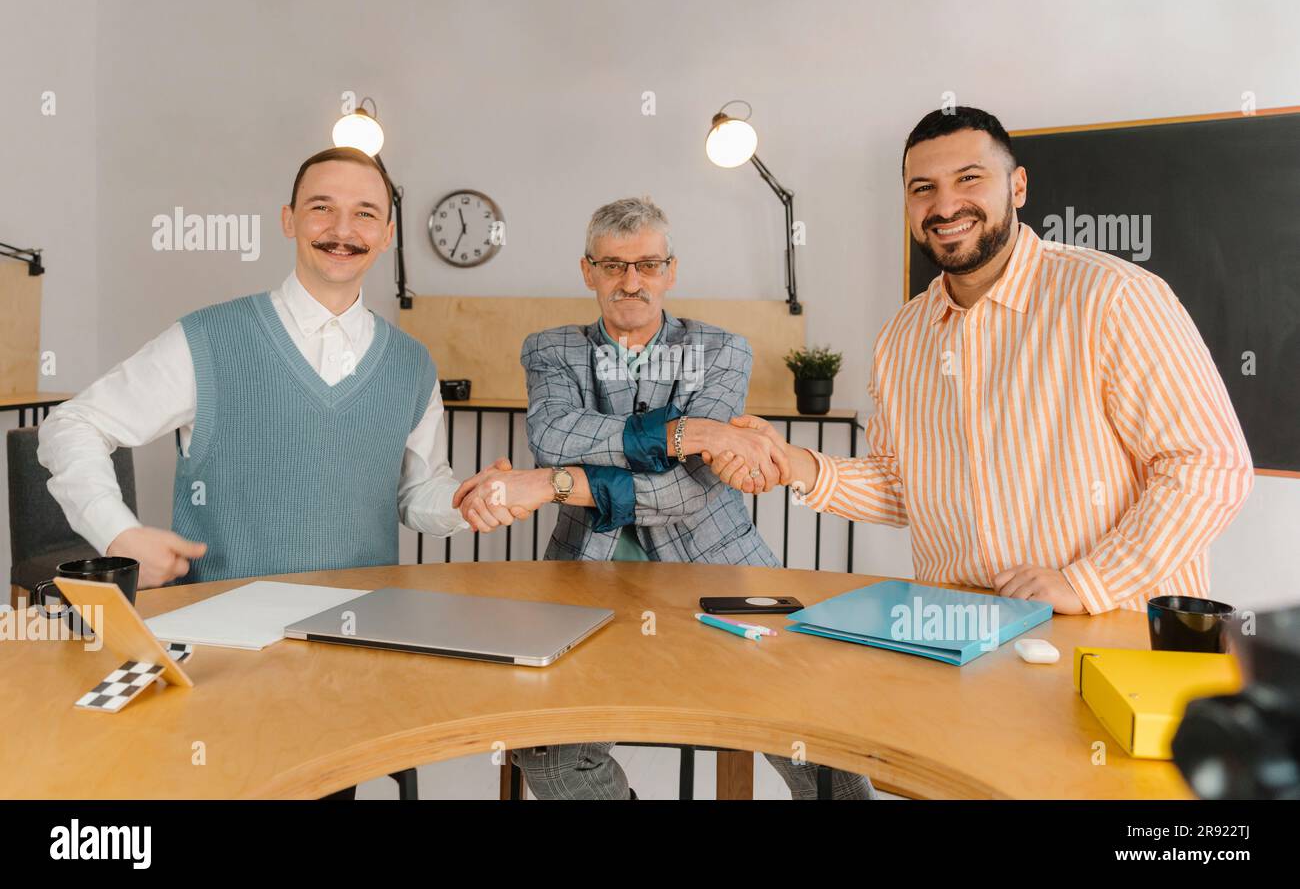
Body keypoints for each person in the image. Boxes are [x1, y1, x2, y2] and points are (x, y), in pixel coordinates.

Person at [706, 107, 1254, 616]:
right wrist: (795, 464)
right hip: (957, 630)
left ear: (1017, 187)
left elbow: (1209, 465)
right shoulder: (903, 336)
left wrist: (1088, 582)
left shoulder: (1112, 297)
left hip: (1111, 635)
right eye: (924, 188)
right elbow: (905, 486)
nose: (945, 206)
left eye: (969, 179)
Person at [453, 196, 874, 799]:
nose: (632, 281)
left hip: (723, 573)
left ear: (670, 272)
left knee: (819, 741)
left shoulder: (722, 350)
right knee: (548, 751)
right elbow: (552, 435)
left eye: (648, 265)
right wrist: (684, 432)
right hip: (585, 579)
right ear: (587, 271)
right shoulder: (551, 349)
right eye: (614, 265)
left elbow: (685, 490)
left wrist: (553, 483)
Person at [39, 146, 494, 589]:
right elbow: (72, 423)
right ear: (288, 219)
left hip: (362, 633)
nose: (342, 230)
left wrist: (465, 503)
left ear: (387, 233)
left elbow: (416, 493)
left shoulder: (411, 364)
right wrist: (119, 534)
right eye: (322, 207)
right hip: (223, 635)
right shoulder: (208, 340)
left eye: (365, 213)